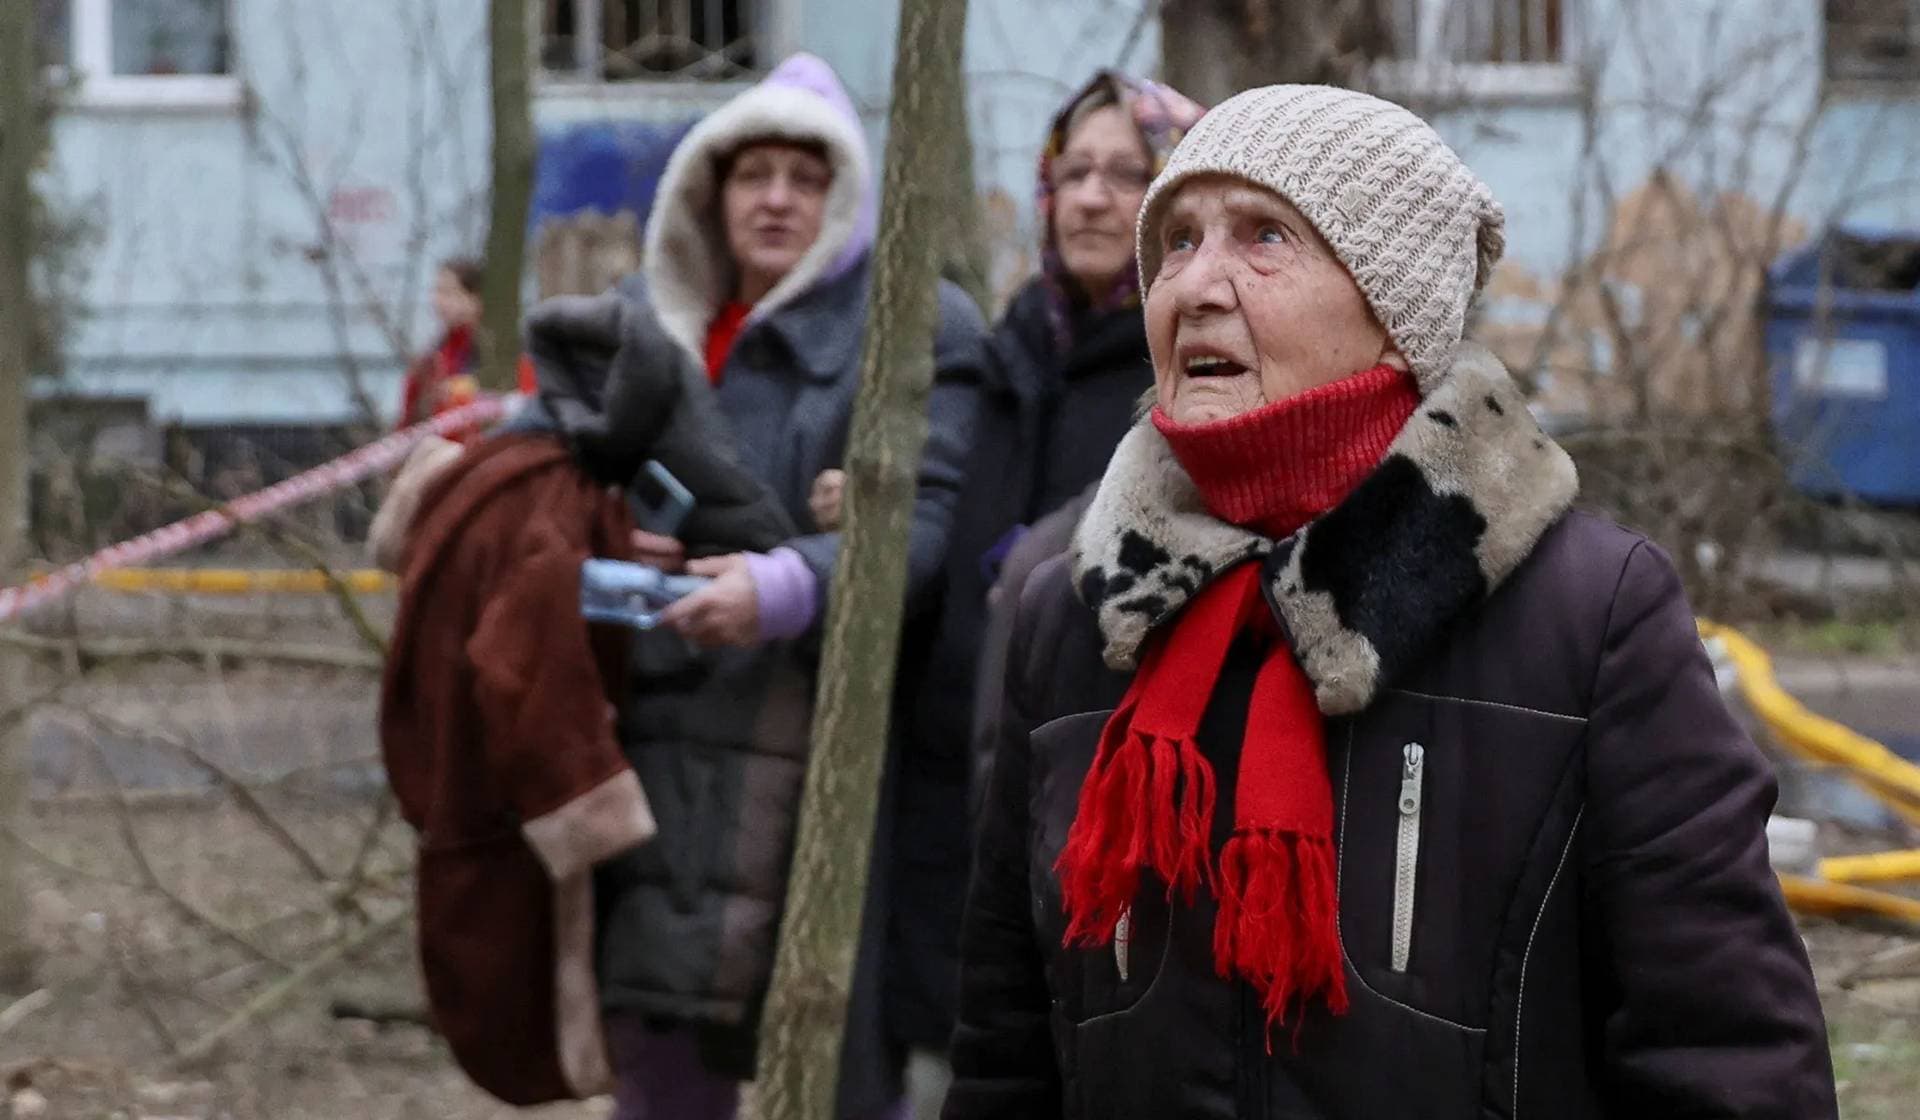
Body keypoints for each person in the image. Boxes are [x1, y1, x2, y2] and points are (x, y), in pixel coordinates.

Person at [943, 85, 1837, 1119]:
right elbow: (1006, 1057)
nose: (1194, 285)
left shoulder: (1589, 618)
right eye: (1178, 240)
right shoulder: (1076, 616)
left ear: (1394, 310)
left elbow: (1730, 1058)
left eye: (1264, 236)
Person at [582, 53, 985, 1120]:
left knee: (841, 1064)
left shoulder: (917, 329)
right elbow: (555, 491)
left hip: (827, 761)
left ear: (848, 200)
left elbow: (930, 530)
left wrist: (787, 584)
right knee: (663, 1069)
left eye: (807, 179)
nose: (776, 200)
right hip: (658, 751)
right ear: (708, 189)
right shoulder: (639, 328)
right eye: (752, 173)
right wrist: (604, 539)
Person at [893, 71, 1204, 1081]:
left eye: (1127, 174)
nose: (1092, 199)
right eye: (1073, 173)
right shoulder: (1005, 357)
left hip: (1104, 837)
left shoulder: (1186, 387)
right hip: (950, 823)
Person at [396, 257, 536, 436]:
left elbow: (518, 400)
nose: (438, 301)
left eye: (449, 292)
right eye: (436, 291)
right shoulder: (434, 355)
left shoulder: (501, 351)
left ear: (475, 298)